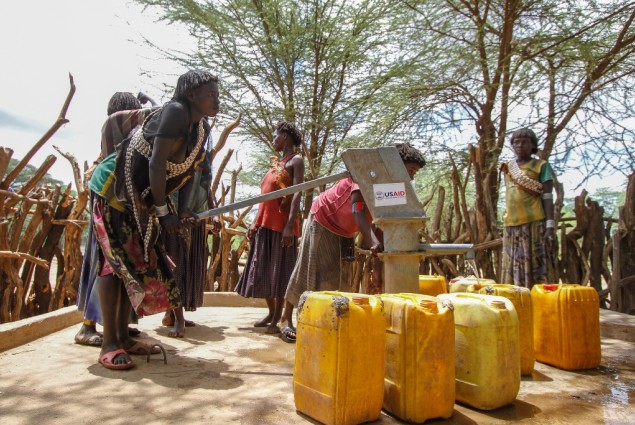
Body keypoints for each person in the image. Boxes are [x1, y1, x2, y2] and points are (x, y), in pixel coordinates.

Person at [87, 70, 219, 369]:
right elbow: (157, 165)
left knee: (135, 264)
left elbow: (189, 172)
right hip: (114, 191)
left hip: (140, 200)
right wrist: (163, 211)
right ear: (191, 94)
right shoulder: (174, 111)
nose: (217, 101)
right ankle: (109, 343)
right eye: (210, 94)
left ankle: (122, 337)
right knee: (115, 264)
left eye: (217, 95)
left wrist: (182, 211)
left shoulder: (200, 128)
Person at [280, 143, 425, 341]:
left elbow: (382, 226)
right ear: (396, 165)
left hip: (346, 230)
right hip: (324, 219)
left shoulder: (394, 189)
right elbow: (358, 210)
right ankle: (285, 319)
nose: (411, 177)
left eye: (415, 173)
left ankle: (326, 325)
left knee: (340, 278)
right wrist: (373, 243)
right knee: (308, 269)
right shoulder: (368, 171)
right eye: (410, 171)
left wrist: (377, 268)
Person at [75, 91, 157, 347]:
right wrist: (151, 100)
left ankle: (118, 328)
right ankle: (87, 326)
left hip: (118, 200)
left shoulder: (123, 136)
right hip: (108, 201)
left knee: (118, 266)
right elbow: (156, 114)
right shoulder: (115, 125)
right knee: (104, 265)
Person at [235, 121, 304, 337]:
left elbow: (298, 194)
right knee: (263, 271)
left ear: (285, 136)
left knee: (280, 272)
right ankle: (271, 313)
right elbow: (265, 199)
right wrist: (255, 224)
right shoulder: (276, 163)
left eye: (276, 136)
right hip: (264, 224)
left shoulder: (296, 161)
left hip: (281, 226)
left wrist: (289, 226)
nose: (273, 140)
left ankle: (279, 318)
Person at [161, 144, 221, 338]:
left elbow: (206, 185)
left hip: (196, 216)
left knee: (188, 267)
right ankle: (175, 316)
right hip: (174, 217)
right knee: (175, 267)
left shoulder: (203, 155)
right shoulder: (174, 148)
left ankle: (176, 313)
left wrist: (214, 213)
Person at [500, 127, 556, 288]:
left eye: (524, 142)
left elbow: (547, 196)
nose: (520, 145)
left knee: (536, 264)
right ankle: (516, 299)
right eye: (516, 142)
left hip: (533, 223)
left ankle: (538, 298)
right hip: (511, 224)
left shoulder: (541, 166)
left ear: (532, 145)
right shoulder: (508, 167)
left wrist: (550, 225)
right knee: (512, 264)